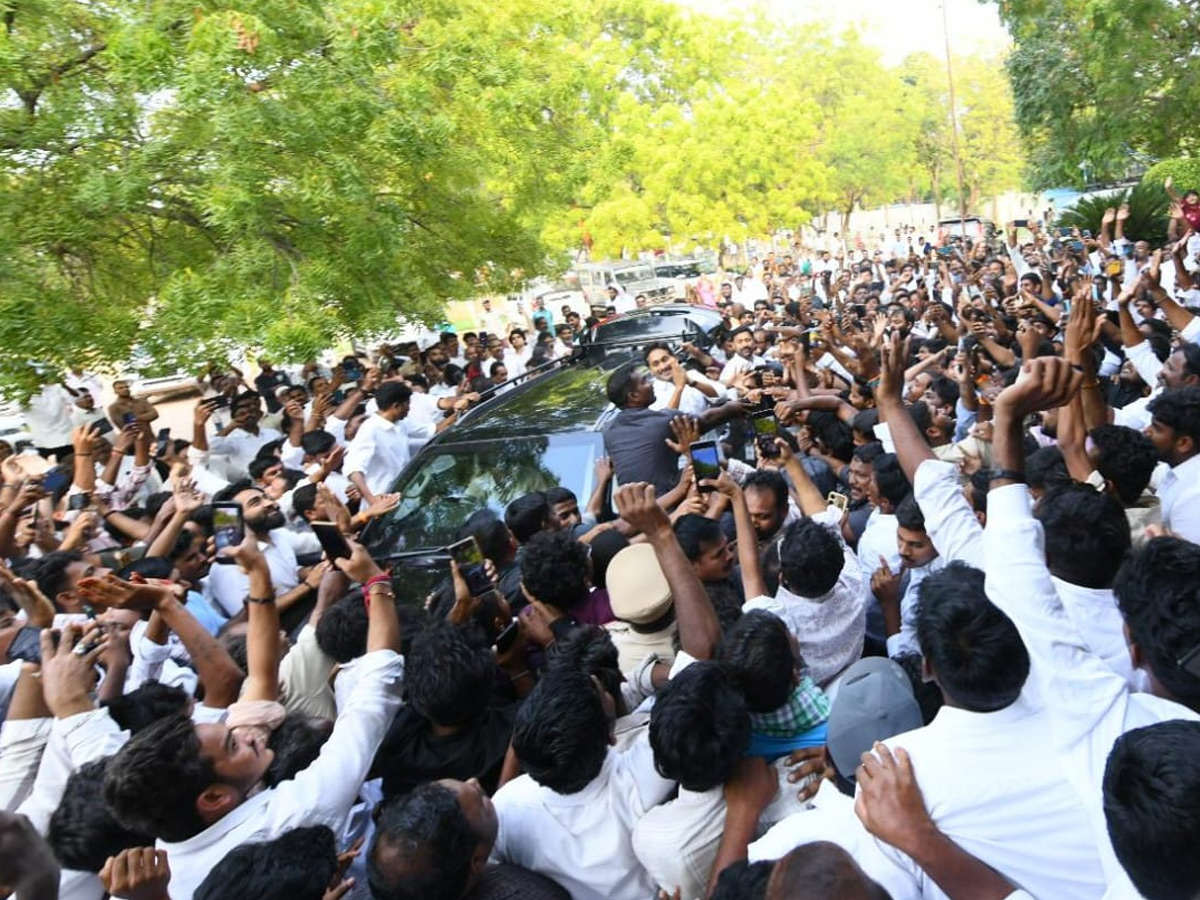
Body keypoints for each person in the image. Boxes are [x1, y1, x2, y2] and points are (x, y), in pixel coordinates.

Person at [601, 366, 741, 496]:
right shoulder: (663, 421)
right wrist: (739, 407)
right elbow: (709, 419)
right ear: (634, 396)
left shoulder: (608, 431)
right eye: (644, 381)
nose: (651, 383)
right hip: (675, 508)